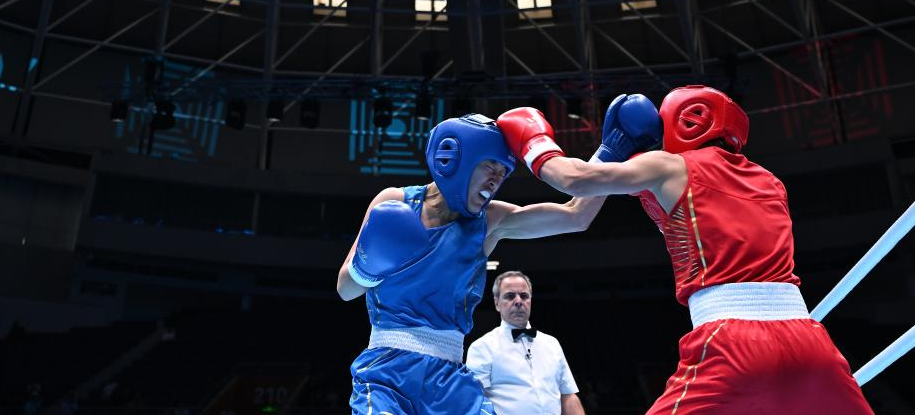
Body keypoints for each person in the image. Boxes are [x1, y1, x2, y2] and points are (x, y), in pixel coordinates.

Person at [496, 86, 874, 414]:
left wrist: (534, 141)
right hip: (810, 341)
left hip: (731, 341)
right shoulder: (771, 182)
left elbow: (573, 181)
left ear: (684, 120)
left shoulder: (669, 167)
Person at [337, 98, 661, 415]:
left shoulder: (491, 220)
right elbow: (346, 289)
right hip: (387, 372)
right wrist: (370, 265)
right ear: (454, 159)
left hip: (450, 382)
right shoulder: (395, 202)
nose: (496, 179)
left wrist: (611, 152)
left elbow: (576, 216)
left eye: (503, 171)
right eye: (489, 166)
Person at [466, 271, 584, 415]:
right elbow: (474, 401)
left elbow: (568, 396)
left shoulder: (552, 344)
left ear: (530, 300)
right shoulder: (482, 347)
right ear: (497, 303)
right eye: (510, 296)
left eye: (524, 296)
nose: (518, 301)